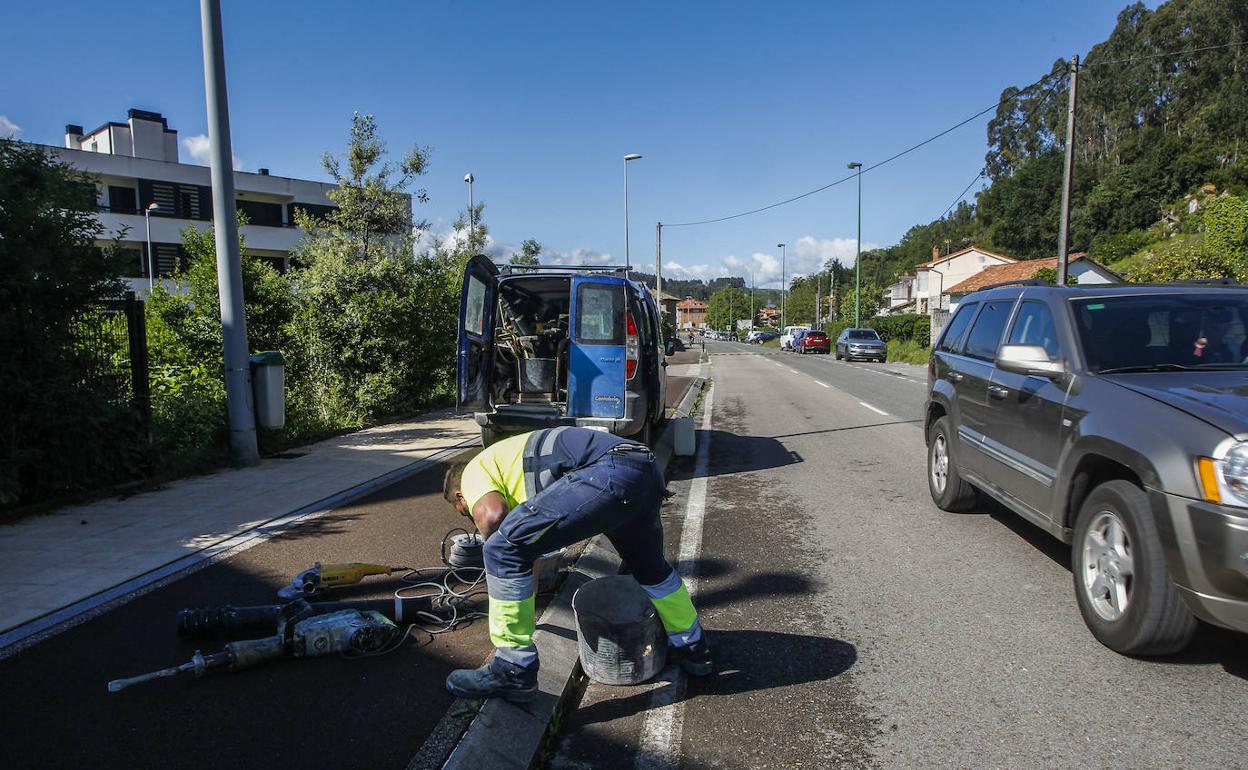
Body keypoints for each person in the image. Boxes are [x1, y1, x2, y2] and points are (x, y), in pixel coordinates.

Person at [442, 426, 711, 702]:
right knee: (652, 573)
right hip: (642, 469)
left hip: (609, 471)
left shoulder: (473, 470)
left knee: (499, 548)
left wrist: (497, 554)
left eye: (463, 511)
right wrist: (520, 588)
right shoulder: (506, 466)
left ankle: (512, 669)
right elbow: (525, 550)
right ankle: (692, 648)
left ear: (460, 496)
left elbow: (492, 516)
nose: (469, 515)